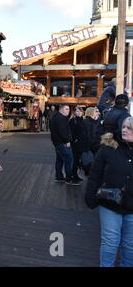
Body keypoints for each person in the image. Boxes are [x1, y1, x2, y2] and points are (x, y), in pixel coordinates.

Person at [85, 117, 133, 267]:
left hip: (132, 204)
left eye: (129, 128)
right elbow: (95, 173)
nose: (124, 129)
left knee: (130, 244)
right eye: (124, 126)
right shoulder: (108, 147)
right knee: (111, 242)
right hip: (109, 202)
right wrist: (90, 195)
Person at [50, 105, 78, 185]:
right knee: (69, 159)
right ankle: (69, 178)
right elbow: (63, 131)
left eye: (69, 109)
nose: (68, 110)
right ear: (61, 110)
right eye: (66, 109)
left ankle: (59, 177)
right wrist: (67, 141)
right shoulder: (61, 118)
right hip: (62, 143)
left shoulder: (56, 117)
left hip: (57, 142)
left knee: (60, 160)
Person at [69, 107, 88, 181]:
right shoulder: (73, 120)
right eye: (77, 111)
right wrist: (75, 140)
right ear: (74, 112)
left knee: (78, 161)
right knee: (75, 161)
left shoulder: (82, 120)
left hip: (81, 144)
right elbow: (71, 133)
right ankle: (73, 176)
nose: (79, 112)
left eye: (80, 111)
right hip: (75, 145)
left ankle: (75, 175)